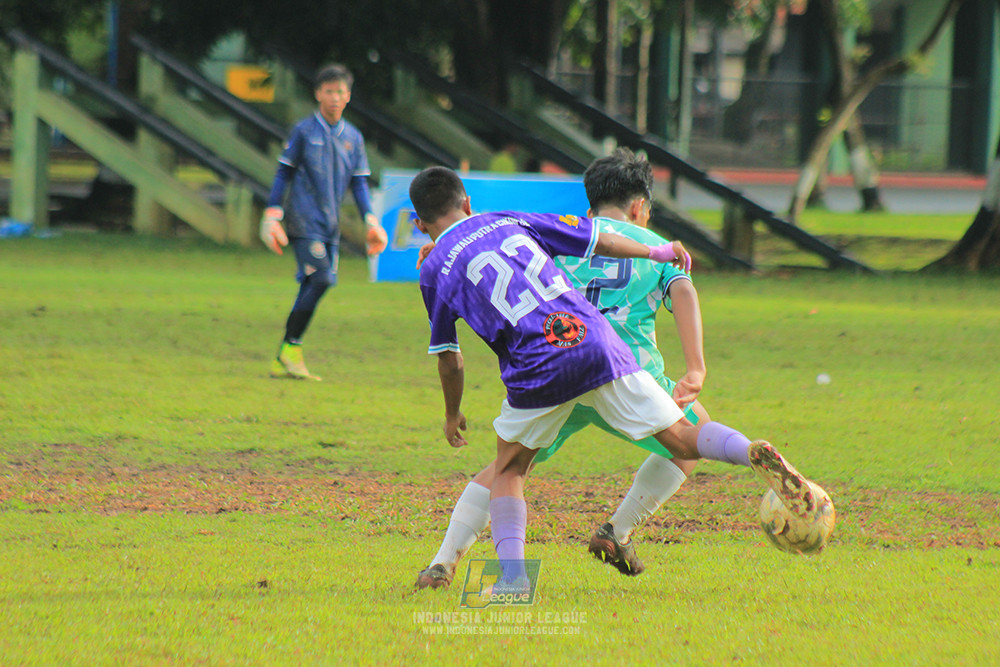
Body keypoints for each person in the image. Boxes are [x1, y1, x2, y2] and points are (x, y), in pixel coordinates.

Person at [409, 166, 824, 591]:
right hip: (599, 349)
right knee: (685, 438)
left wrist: (452, 412)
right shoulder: (508, 220)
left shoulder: (434, 268)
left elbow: (450, 359)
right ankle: (747, 450)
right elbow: (605, 243)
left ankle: (506, 579)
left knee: (509, 469)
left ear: (421, 225)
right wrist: (656, 255)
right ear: (467, 203)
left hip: (537, 368)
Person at [414, 148, 711, 589]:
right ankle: (617, 531)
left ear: (589, 206)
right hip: (621, 370)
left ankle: (445, 561)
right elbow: (682, 289)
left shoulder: (555, 239)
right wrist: (696, 367)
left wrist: (444, 251)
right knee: (694, 435)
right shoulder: (639, 244)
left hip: (552, 369)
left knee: (506, 470)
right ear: (640, 207)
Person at [259, 63, 388, 381]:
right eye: (329, 91)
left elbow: (359, 183)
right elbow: (284, 172)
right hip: (303, 221)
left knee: (311, 283)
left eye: (340, 92)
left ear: (348, 96)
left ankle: (284, 356)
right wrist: (273, 212)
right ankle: (291, 348)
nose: (334, 97)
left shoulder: (353, 137)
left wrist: (370, 220)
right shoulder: (304, 131)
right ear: (318, 94)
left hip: (331, 225)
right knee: (323, 280)